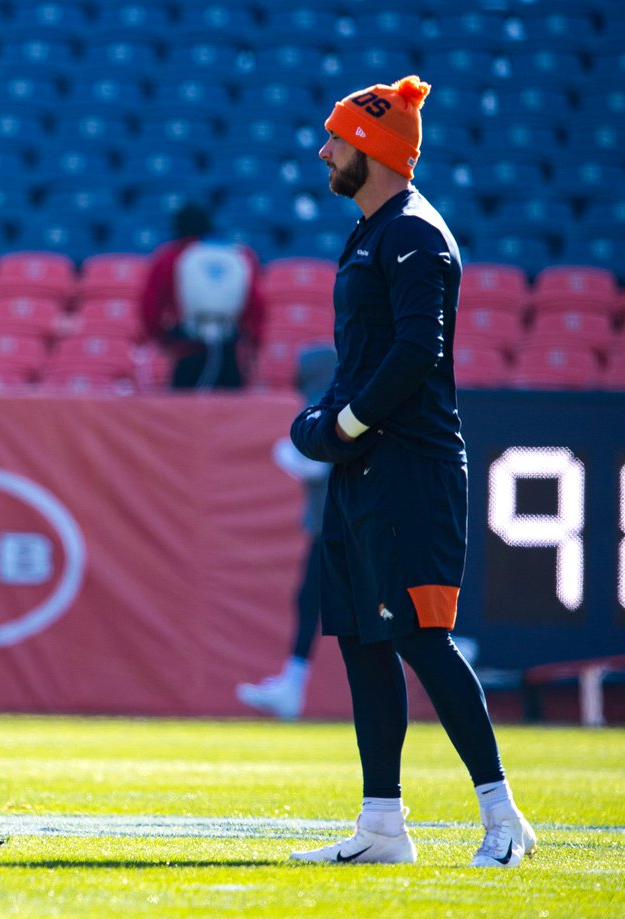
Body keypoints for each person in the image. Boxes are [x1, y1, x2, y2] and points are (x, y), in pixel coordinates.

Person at [286, 76, 536, 868]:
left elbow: (417, 353)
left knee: (424, 640)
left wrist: (348, 423)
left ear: (371, 147)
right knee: (364, 639)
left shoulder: (416, 236)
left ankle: (504, 817)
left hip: (410, 470)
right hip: (366, 468)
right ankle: (383, 824)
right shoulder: (369, 234)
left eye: (335, 138)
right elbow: (360, 358)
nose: (324, 149)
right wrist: (324, 420)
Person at [236, 344, 334, 721]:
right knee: (311, 599)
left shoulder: (332, 402)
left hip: (346, 525)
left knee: (380, 606)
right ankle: (292, 685)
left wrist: (286, 453)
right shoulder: (328, 401)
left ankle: (451, 642)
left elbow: (317, 464)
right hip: (331, 525)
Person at [139, 203, 265, 390]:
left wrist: (165, 340)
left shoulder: (170, 257)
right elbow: (256, 306)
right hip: (228, 347)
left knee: (184, 412)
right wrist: (253, 343)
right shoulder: (240, 255)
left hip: (187, 346)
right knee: (231, 413)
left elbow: (149, 307)